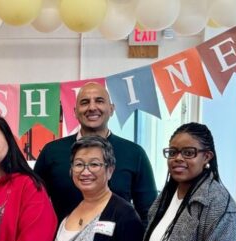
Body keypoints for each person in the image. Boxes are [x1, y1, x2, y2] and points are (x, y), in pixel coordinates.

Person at [33, 81, 157, 223]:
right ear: (74, 112)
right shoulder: (51, 152)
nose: (92, 107)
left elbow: (149, 213)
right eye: (85, 102)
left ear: (111, 109)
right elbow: (34, 206)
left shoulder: (135, 153)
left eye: (99, 101)